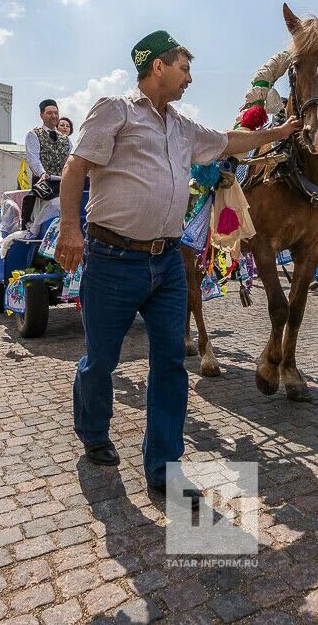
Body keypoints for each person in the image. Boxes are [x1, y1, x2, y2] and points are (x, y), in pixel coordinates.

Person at [55, 30, 301, 499]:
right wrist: (70, 227)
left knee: (170, 361)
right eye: (184, 68)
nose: (190, 78)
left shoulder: (183, 127)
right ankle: (93, 432)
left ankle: (163, 465)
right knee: (101, 360)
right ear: (158, 66)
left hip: (166, 261)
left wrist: (280, 132)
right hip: (112, 259)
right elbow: (76, 167)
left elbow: (229, 140)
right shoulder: (116, 109)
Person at [20, 99, 72, 233]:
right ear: (41, 115)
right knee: (46, 215)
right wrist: (42, 174)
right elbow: (33, 159)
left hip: (63, 185)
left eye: (56, 113)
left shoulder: (66, 139)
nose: (54, 116)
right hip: (44, 186)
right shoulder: (33, 134)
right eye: (49, 113)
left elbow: (70, 162)